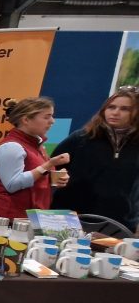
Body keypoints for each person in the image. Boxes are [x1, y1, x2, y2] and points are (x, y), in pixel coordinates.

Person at [50, 87, 139, 228]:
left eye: (124, 109)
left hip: (119, 224)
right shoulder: (80, 138)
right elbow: (50, 168)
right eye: (111, 107)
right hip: (68, 220)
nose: (115, 112)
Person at [0, 97, 70, 222]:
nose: (52, 121)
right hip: (8, 221)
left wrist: (54, 179)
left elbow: (35, 178)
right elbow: (12, 185)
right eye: (46, 117)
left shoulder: (38, 146)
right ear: (26, 119)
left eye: (52, 116)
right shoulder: (12, 147)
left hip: (32, 219)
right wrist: (48, 165)